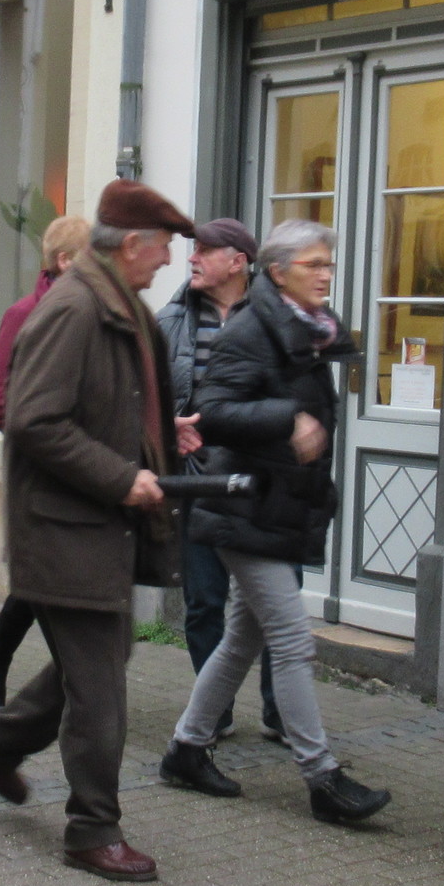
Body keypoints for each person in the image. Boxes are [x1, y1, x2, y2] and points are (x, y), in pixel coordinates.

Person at [0, 180, 198, 881]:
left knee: (100, 659)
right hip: (64, 529)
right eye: (163, 247)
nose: (168, 261)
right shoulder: (75, 308)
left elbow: (108, 405)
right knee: (98, 689)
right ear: (132, 245)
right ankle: (92, 828)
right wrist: (121, 477)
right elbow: (35, 420)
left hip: (95, 527)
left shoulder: (120, 304)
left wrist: (160, 435)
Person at [158, 219, 393, 823]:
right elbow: (212, 410)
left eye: (329, 264)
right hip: (245, 507)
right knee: (291, 639)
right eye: (314, 264)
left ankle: (186, 749)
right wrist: (288, 418)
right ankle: (322, 778)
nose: (326, 274)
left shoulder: (304, 328)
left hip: (275, 507)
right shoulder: (252, 329)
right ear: (279, 271)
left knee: (243, 637)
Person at [156, 216, 282, 744]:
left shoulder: (279, 320)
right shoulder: (170, 321)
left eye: (204, 250)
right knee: (205, 602)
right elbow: (149, 398)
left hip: (264, 485)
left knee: (276, 605)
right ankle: (216, 711)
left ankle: (281, 712)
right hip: (198, 481)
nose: (191, 258)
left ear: (237, 262)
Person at [0, 213, 94, 709]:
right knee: (47, 576)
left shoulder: (93, 315)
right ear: (64, 261)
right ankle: (61, 677)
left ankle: (7, 660)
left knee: (46, 579)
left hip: (86, 473)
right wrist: (47, 444)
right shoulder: (23, 315)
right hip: (41, 474)